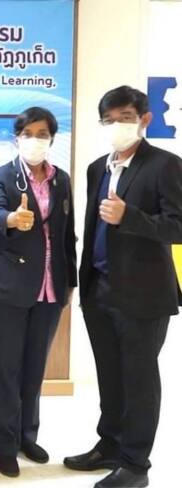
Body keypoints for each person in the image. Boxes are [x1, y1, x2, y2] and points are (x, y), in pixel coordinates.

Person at [63, 86, 182, 488]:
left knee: (139, 380)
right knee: (110, 375)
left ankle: (135, 465)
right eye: (109, 120)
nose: (117, 126)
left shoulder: (166, 165)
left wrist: (129, 216)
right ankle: (110, 445)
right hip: (99, 290)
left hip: (144, 296)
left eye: (126, 118)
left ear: (145, 119)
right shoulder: (97, 167)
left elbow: (178, 226)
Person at [0, 107, 77, 478]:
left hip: (50, 287)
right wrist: (11, 219)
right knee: (5, 369)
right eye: (28, 133)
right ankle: (3, 445)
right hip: (7, 287)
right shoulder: (2, 175)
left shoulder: (61, 179)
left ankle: (25, 435)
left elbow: (66, 235)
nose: (35, 139)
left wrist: (69, 283)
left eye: (42, 133)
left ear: (52, 138)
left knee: (34, 368)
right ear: (17, 138)